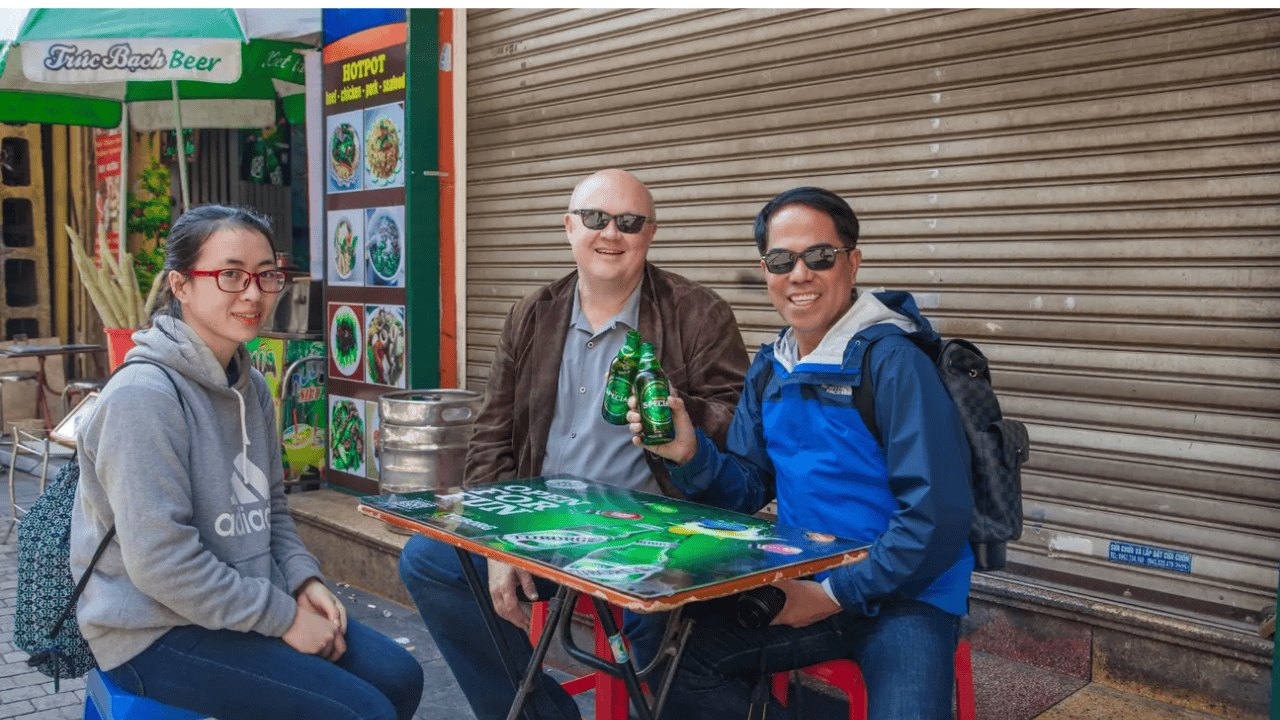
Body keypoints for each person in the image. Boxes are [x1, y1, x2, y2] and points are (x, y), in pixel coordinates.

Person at [398, 169, 749, 720]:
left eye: (630, 222)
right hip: (544, 521)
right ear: (569, 227)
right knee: (427, 561)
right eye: (596, 218)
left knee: (659, 625)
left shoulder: (698, 312)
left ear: (649, 235)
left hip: (649, 529)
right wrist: (497, 543)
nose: (612, 233)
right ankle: (541, 714)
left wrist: (674, 407)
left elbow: (737, 422)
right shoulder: (532, 313)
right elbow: (492, 435)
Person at [71, 205, 424, 720]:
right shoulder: (143, 397)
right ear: (182, 285)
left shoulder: (252, 384)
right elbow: (161, 563)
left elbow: (271, 506)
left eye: (266, 275)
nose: (253, 293)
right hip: (153, 630)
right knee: (362, 711)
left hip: (243, 604)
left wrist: (305, 581)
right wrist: (283, 619)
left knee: (401, 676)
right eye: (230, 274)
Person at [635, 187, 974, 720]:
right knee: (667, 659)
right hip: (804, 578)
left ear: (852, 262)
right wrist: (689, 451)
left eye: (820, 256)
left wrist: (835, 592)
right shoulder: (772, 366)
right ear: (766, 269)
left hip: (908, 595)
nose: (800, 274)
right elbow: (747, 486)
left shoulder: (894, 364)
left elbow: (936, 519)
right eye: (781, 259)